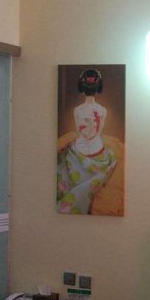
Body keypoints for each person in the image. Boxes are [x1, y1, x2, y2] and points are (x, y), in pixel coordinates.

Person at [56, 69, 118, 214]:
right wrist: (93, 123)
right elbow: (98, 131)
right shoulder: (101, 110)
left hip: (83, 149)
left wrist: (88, 124)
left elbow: (81, 131)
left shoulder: (78, 110)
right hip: (91, 149)